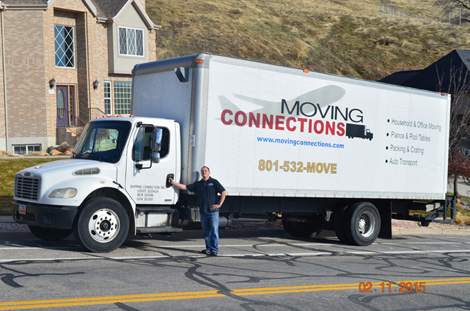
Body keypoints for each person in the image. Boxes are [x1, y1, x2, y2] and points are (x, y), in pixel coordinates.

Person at [169, 166, 226, 256]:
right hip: (203, 212)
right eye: (202, 171)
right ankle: (208, 248)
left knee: (214, 231)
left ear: (209, 173)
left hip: (213, 212)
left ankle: (214, 249)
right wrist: (173, 182)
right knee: (206, 232)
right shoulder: (198, 184)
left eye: (206, 171)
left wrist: (219, 204)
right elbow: (185, 187)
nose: (204, 172)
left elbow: (223, 191)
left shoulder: (214, 182)